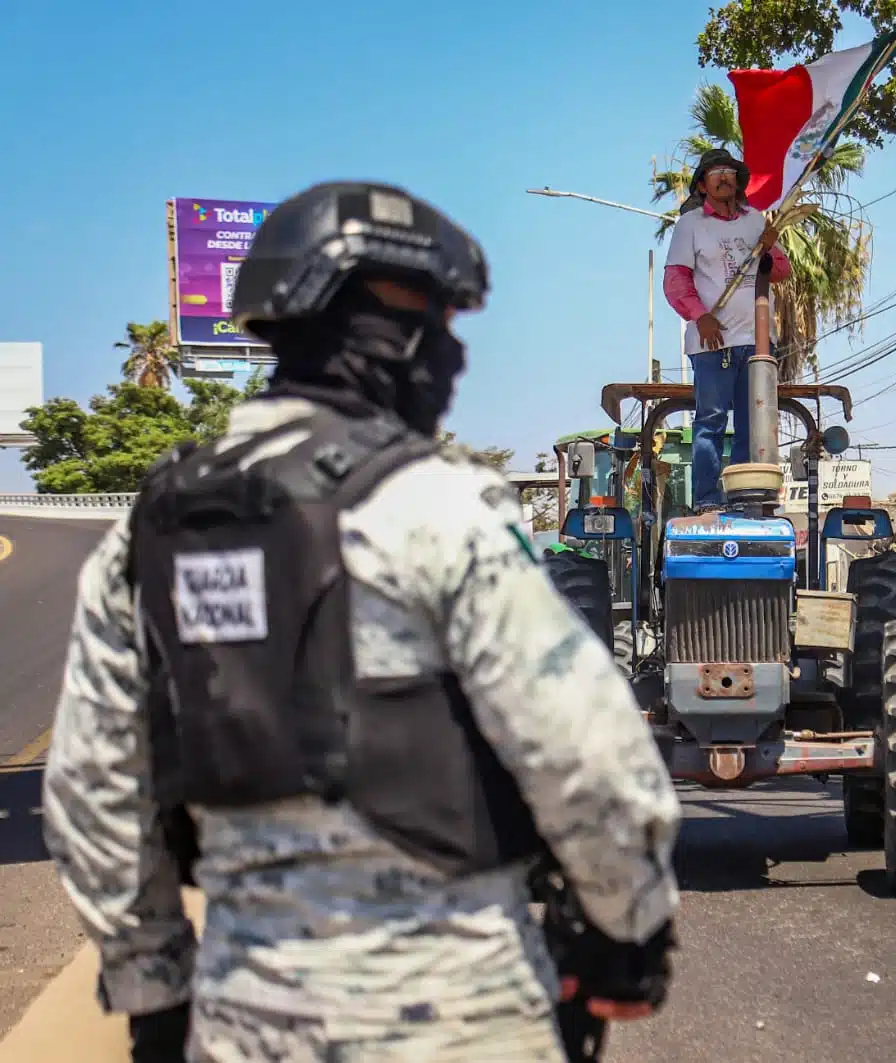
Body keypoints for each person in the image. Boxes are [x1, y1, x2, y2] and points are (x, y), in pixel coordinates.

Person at [41, 180, 682, 1062]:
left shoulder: (147, 531)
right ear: (378, 323)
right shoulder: (437, 509)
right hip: (463, 1019)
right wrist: (626, 934)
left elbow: (93, 792)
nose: (450, 353)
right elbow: (596, 766)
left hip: (237, 1025)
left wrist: (155, 994)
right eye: (439, 322)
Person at [663, 147, 791, 511]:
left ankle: (745, 500)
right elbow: (675, 281)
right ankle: (707, 501)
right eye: (715, 172)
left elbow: (780, 271)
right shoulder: (689, 225)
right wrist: (699, 316)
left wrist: (771, 250)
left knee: (752, 426)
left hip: (757, 341)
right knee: (711, 421)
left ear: (738, 181)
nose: (723, 178)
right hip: (712, 342)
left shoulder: (755, 221)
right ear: (702, 185)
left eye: (729, 172)